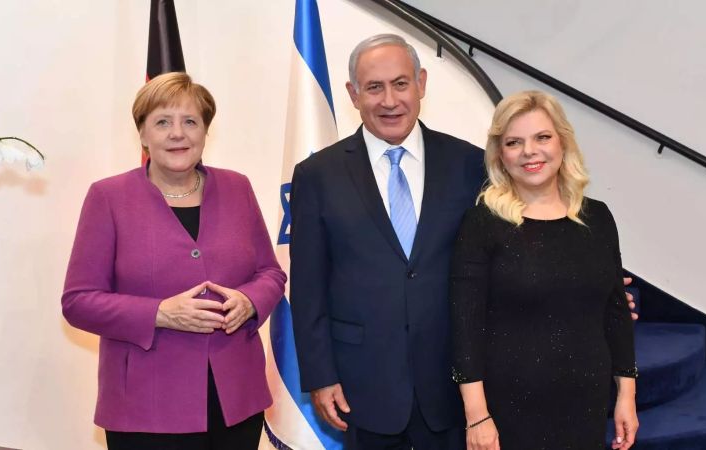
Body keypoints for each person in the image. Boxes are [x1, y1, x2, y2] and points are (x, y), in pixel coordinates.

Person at [61, 72, 286, 450]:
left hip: (236, 400)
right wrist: (160, 313)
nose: (177, 134)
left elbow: (270, 273)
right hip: (146, 407)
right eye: (162, 122)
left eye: (190, 122)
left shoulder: (237, 187)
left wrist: (249, 301)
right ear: (143, 134)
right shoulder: (108, 197)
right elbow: (78, 301)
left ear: (205, 132)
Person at [289, 33, 486, 449]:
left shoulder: (469, 164)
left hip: (453, 382)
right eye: (374, 87)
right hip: (362, 384)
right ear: (353, 94)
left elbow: (500, 262)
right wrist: (321, 375)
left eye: (400, 83)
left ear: (422, 84)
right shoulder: (317, 176)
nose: (390, 100)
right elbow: (308, 288)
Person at [450, 90, 639, 450]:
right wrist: (477, 416)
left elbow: (616, 314)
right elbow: (465, 326)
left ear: (563, 143)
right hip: (509, 411)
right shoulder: (482, 223)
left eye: (542, 137)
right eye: (514, 142)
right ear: (501, 155)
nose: (529, 151)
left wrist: (626, 394)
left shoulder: (597, 217)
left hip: (586, 403)